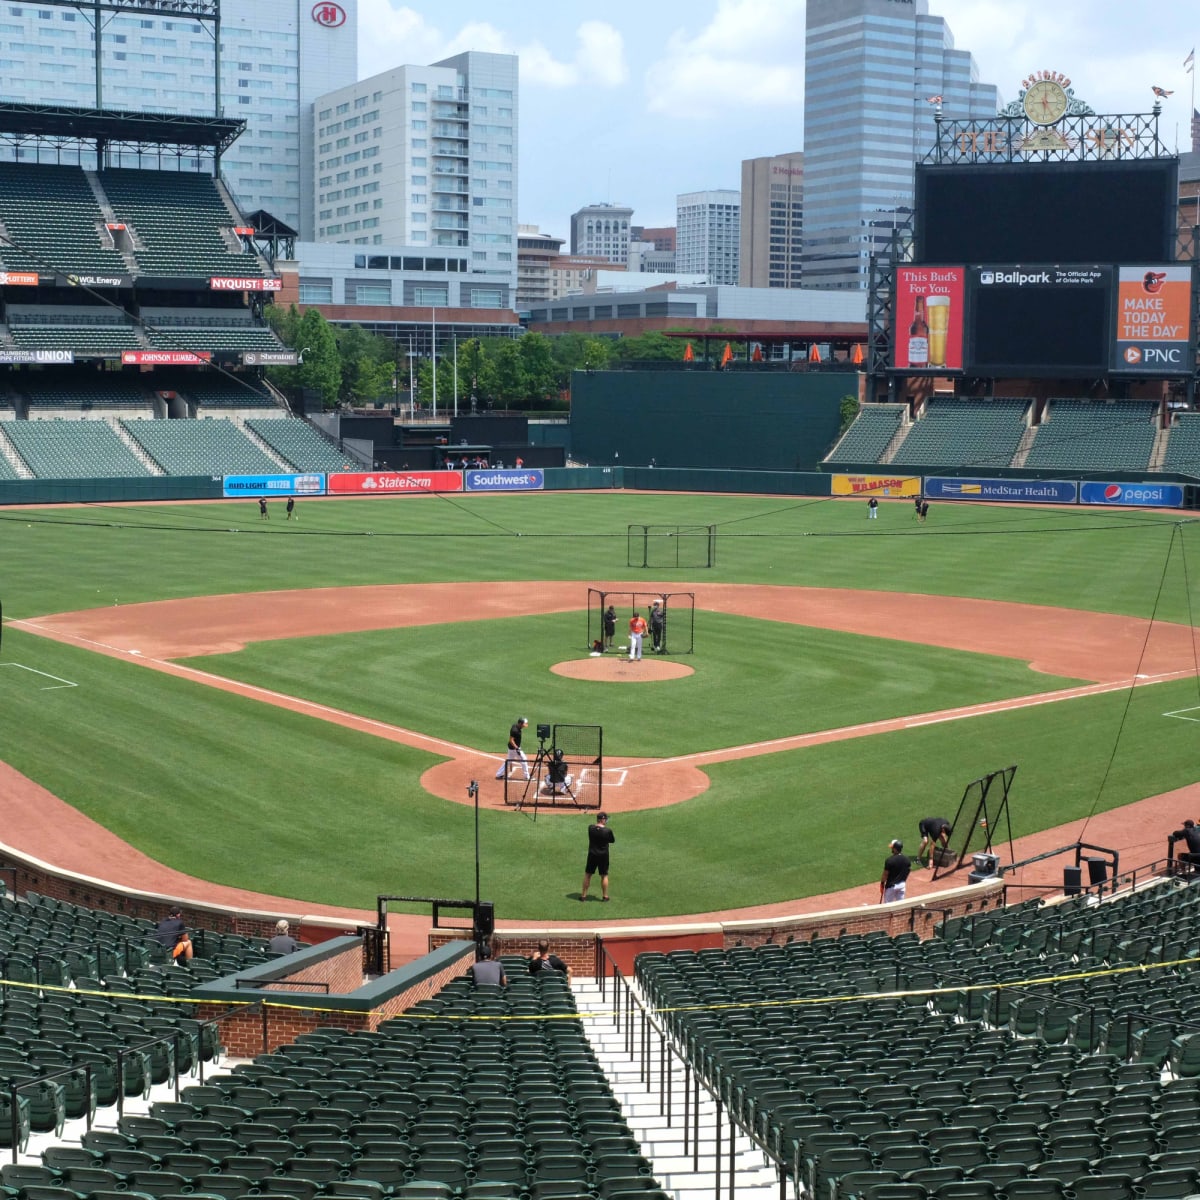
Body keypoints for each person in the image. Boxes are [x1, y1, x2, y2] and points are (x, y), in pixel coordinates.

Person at [581, 811, 615, 902]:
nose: (606, 820)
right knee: (604, 875)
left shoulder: (590, 828)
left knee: (588, 874)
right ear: (602, 819)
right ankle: (605, 896)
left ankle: (583, 896)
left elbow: (595, 829)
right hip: (603, 856)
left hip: (592, 854)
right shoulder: (607, 831)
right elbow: (612, 840)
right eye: (606, 819)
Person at [495, 716, 531, 781]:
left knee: (509, 761)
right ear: (520, 723)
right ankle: (527, 776)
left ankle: (499, 774)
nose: (524, 725)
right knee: (524, 759)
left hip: (512, 748)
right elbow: (511, 740)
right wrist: (517, 748)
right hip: (514, 748)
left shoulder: (515, 726)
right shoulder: (515, 730)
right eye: (523, 724)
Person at [881, 839, 912, 904]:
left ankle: (891, 914)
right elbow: (909, 870)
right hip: (902, 886)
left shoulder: (889, 860)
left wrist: (882, 884)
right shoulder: (907, 859)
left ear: (895, 849)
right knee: (900, 905)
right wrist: (903, 879)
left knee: (888, 906)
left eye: (892, 848)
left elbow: (885, 874)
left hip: (891, 887)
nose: (891, 849)